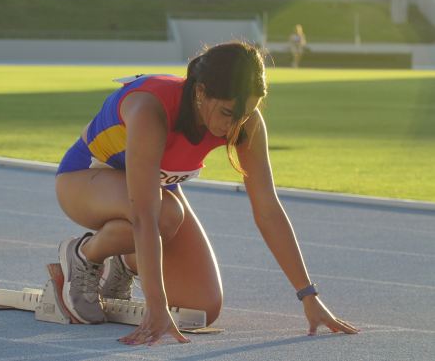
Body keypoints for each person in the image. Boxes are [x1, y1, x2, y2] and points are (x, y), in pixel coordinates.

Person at [55, 42, 358, 345]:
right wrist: (157, 308)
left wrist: (308, 295)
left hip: (155, 197)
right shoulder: (150, 107)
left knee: (201, 307)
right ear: (200, 92)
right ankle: (84, 255)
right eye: (228, 112)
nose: (234, 126)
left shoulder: (243, 121)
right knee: (167, 214)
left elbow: (267, 209)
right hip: (83, 180)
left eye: (246, 112)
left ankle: (124, 262)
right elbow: (145, 215)